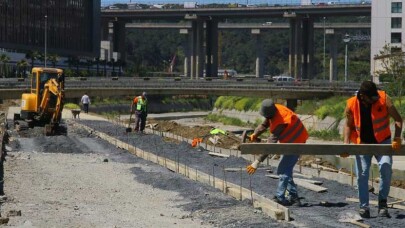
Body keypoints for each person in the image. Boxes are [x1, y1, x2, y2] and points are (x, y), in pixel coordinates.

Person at [344, 80, 402, 218]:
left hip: (383, 141)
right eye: (372, 98)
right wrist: (345, 144)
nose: (376, 99)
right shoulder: (352, 104)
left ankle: (382, 203)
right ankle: (364, 207)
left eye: (376, 96)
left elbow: (399, 119)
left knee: (386, 166)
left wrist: (397, 138)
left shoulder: (384, 99)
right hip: (363, 143)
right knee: (362, 175)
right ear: (363, 96)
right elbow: (348, 125)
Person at [246, 99, 308, 206]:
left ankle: (280, 197)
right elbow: (265, 124)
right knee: (286, 170)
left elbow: (271, 145)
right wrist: (255, 134)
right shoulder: (274, 109)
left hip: (296, 142)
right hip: (288, 142)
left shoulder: (281, 120)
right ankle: (294, 197)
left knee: (283, 170)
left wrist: (257, 161)